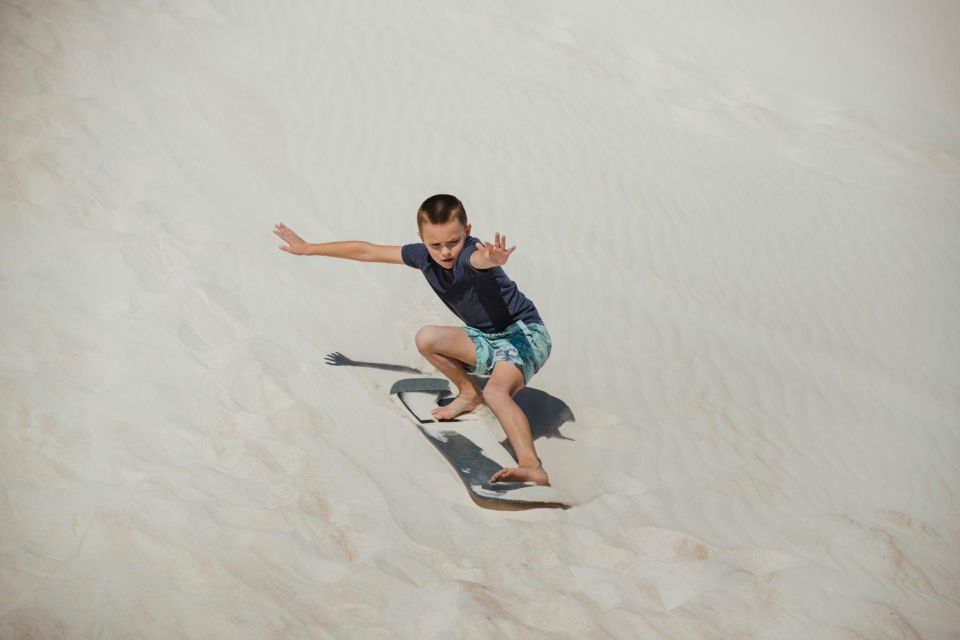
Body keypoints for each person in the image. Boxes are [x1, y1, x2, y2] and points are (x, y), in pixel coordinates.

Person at [273, 194, 553, 485]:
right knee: (427, 338)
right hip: (486, 337)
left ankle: (533, 466)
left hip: (524, 335)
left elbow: (478, 260)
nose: (445, 252)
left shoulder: (472, 255)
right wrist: (308, 249)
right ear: (421, 238)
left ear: (468, 231)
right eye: (435, 245)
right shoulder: (421, 256)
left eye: (453, 242)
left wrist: (493, 259)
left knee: (497, 393)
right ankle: (469, 394)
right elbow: (367, 251)